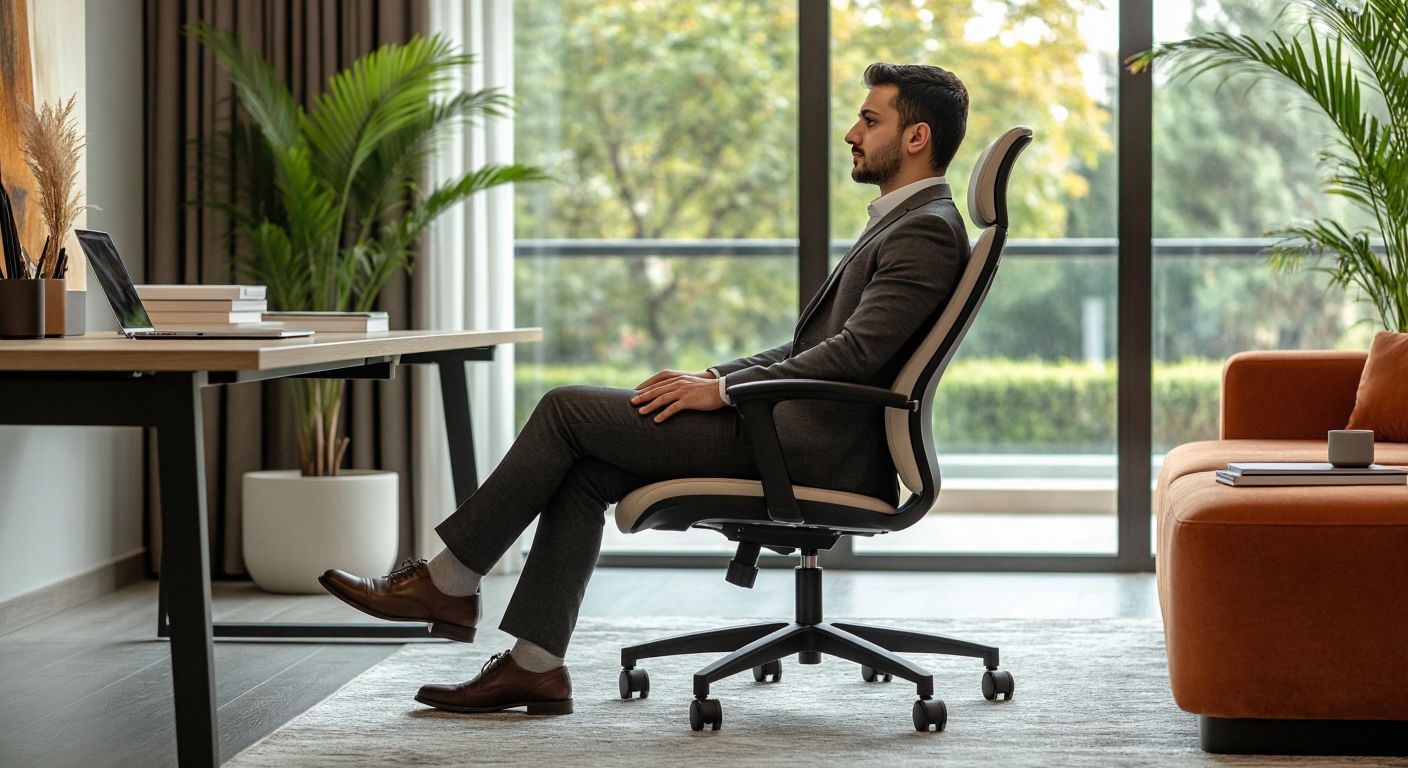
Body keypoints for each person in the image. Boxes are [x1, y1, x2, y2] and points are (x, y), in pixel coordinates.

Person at [320, 62, 972, 716]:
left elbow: (856, 356)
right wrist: (716, 379)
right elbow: (812, 351)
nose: (851, 131)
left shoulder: (923, 229)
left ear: (916, 138)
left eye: (870, 118)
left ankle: (448, 581)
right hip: (791, 430)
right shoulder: (907, 219)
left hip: (809, 450)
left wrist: (723, 397)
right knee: (585, 467)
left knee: (565, 408)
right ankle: (534, 668)